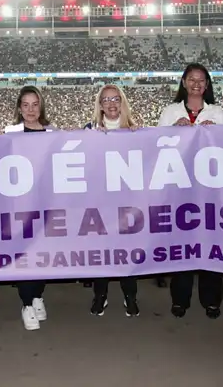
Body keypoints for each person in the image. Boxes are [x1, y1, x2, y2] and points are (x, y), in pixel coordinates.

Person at [158, 63, 223, 318]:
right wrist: (172, 132)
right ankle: (180, 299)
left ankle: (212, 299)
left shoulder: (219, 113)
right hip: (180, 187)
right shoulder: (170, 112)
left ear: (207, 85)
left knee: (211, 243)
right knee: (182, 245)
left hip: (210, 189)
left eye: (201, 80)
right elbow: (155, 146)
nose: (196, 83)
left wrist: (216, 133)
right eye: (191, 79)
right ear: (184, 82)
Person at [83, 84, 140, 316]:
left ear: (122, 102)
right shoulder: (88, 129)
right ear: (99, 105)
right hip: (100, 201)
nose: (111, 103)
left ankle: (130, 296)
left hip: (128, 201)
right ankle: (101, 295)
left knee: (127, 250)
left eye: (115, 98)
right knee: (102, 252)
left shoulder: (136, 130)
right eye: (106, 100)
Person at [6, 86, 54, 330]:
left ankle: (37, 296)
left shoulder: (53, 133)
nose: (31, 110)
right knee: (24, 255)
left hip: (46, 205)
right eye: (25, 105)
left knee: (42, 254)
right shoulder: (10, 134)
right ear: (19, 108)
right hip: (20, 207)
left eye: (35, 104)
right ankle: (26, 303)